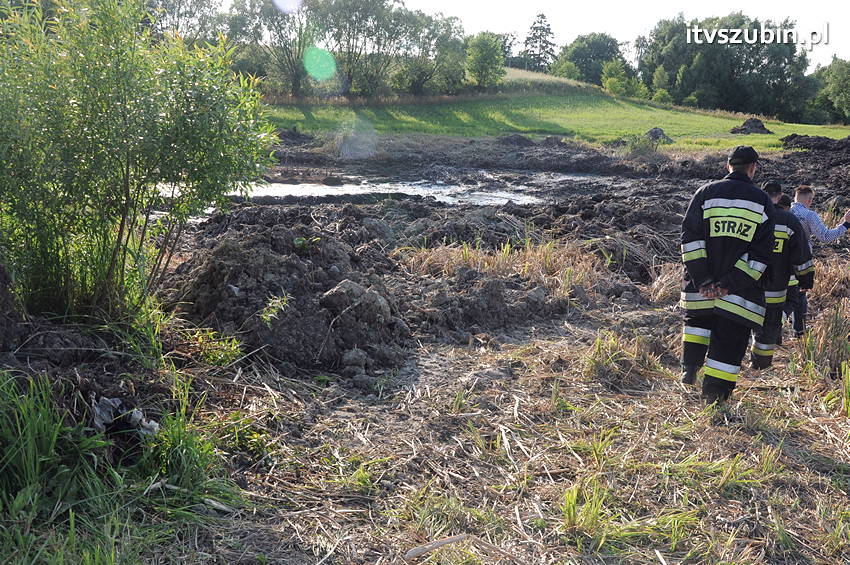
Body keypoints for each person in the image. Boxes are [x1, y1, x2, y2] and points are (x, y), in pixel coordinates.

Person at [680, 146, 775, 404]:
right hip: (738, 296)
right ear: (753, 168)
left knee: (697, 329)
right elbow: (761, 255)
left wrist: (704, 280)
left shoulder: (704, 194)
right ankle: (715, 399)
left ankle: (689, 374)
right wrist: (727, 284)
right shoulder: (762, 201)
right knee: (728, 344)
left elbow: (690, 240)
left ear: (727, 165)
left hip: (701, 291)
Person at [750, 182, 813, 368]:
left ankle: (740, 361)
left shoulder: (752, 217)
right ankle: (760, 365)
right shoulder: (788, 220)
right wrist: (806, 280)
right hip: (776, 288)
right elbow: (801, 255)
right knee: (769, 326)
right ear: (779, 196)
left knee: (747, 322)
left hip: (750, 284)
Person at [789, 186, 850, 336]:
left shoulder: (784, 211)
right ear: (809, 200)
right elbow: (826, 237)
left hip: (779, 258)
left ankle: (781, 326)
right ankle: (799, 330)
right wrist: (846, 224)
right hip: (801, 259)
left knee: (782, 293)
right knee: (800, 293)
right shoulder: (809, 215)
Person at [777, 194, 806, 338]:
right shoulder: (791, 222)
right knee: (793, 301)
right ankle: (782, 325)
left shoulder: (764, 219)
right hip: (789, 275)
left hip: (764, 275)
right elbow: (800, 252)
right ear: (788, 208)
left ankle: (775, 333)